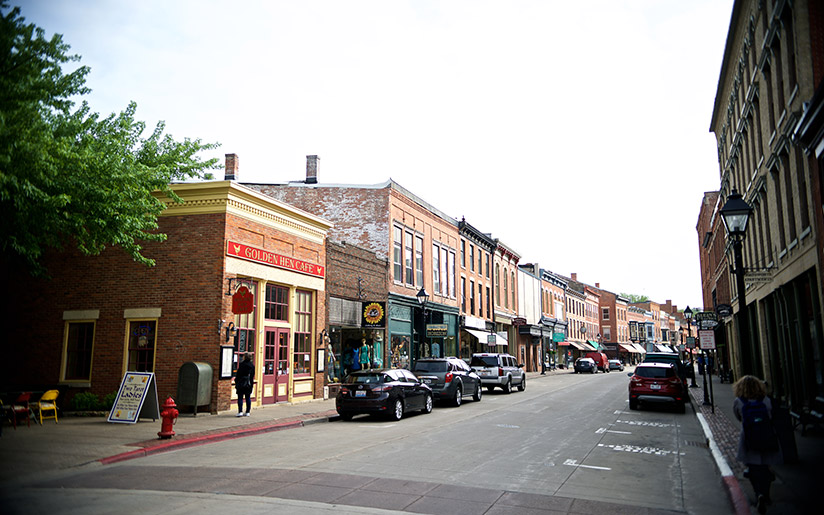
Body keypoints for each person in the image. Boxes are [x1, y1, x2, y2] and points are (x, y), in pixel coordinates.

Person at [733, 375, 781, 513]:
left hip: (749, 439)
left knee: (753, 469)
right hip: (766, 437)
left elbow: (738, 416)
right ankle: (766, 494)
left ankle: (758, 493)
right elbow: (772, 416)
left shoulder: (739, 401)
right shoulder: (766, 400)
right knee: (765, 467)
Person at [234, 352, 254, 417]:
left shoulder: (242, 365)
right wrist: (251, 385)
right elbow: (252, 376)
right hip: (248, 384)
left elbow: (238, 374)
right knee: (248, 397)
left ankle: (240, 411)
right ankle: (247, 412)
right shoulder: (252, 366)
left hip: (241, 383)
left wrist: (236, 382)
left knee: (240, 397)